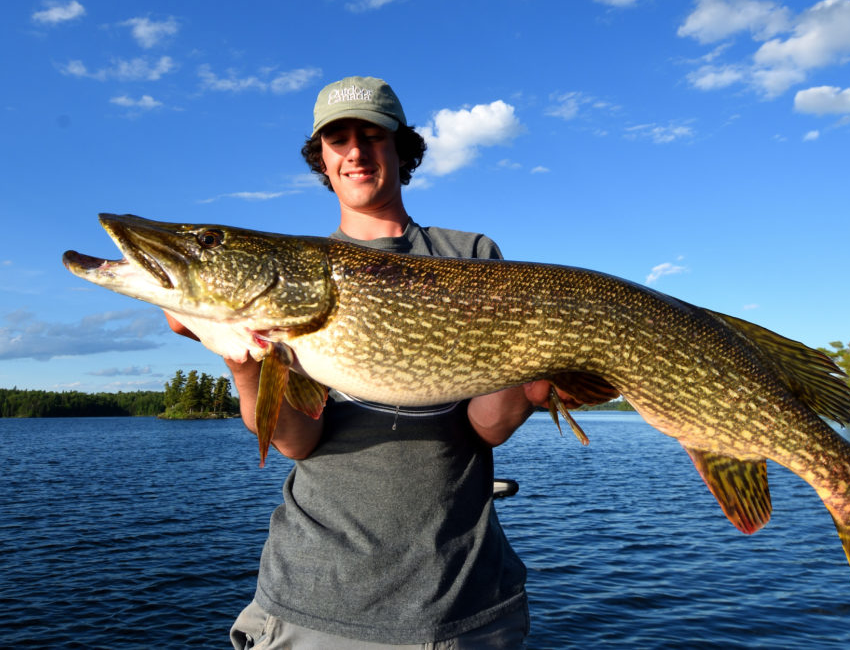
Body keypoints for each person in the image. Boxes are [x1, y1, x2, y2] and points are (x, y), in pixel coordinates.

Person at [167, 76, 569, 648]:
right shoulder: (303, 277)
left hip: (462, 606)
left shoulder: (470, 256)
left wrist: (535, 375)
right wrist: (245, 363)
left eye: (372, 137)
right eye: (338, 140)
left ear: (401, 152)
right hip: (314, 602)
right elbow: (297, 442)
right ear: (323, 162)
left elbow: (488, 425)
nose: (355, 151)